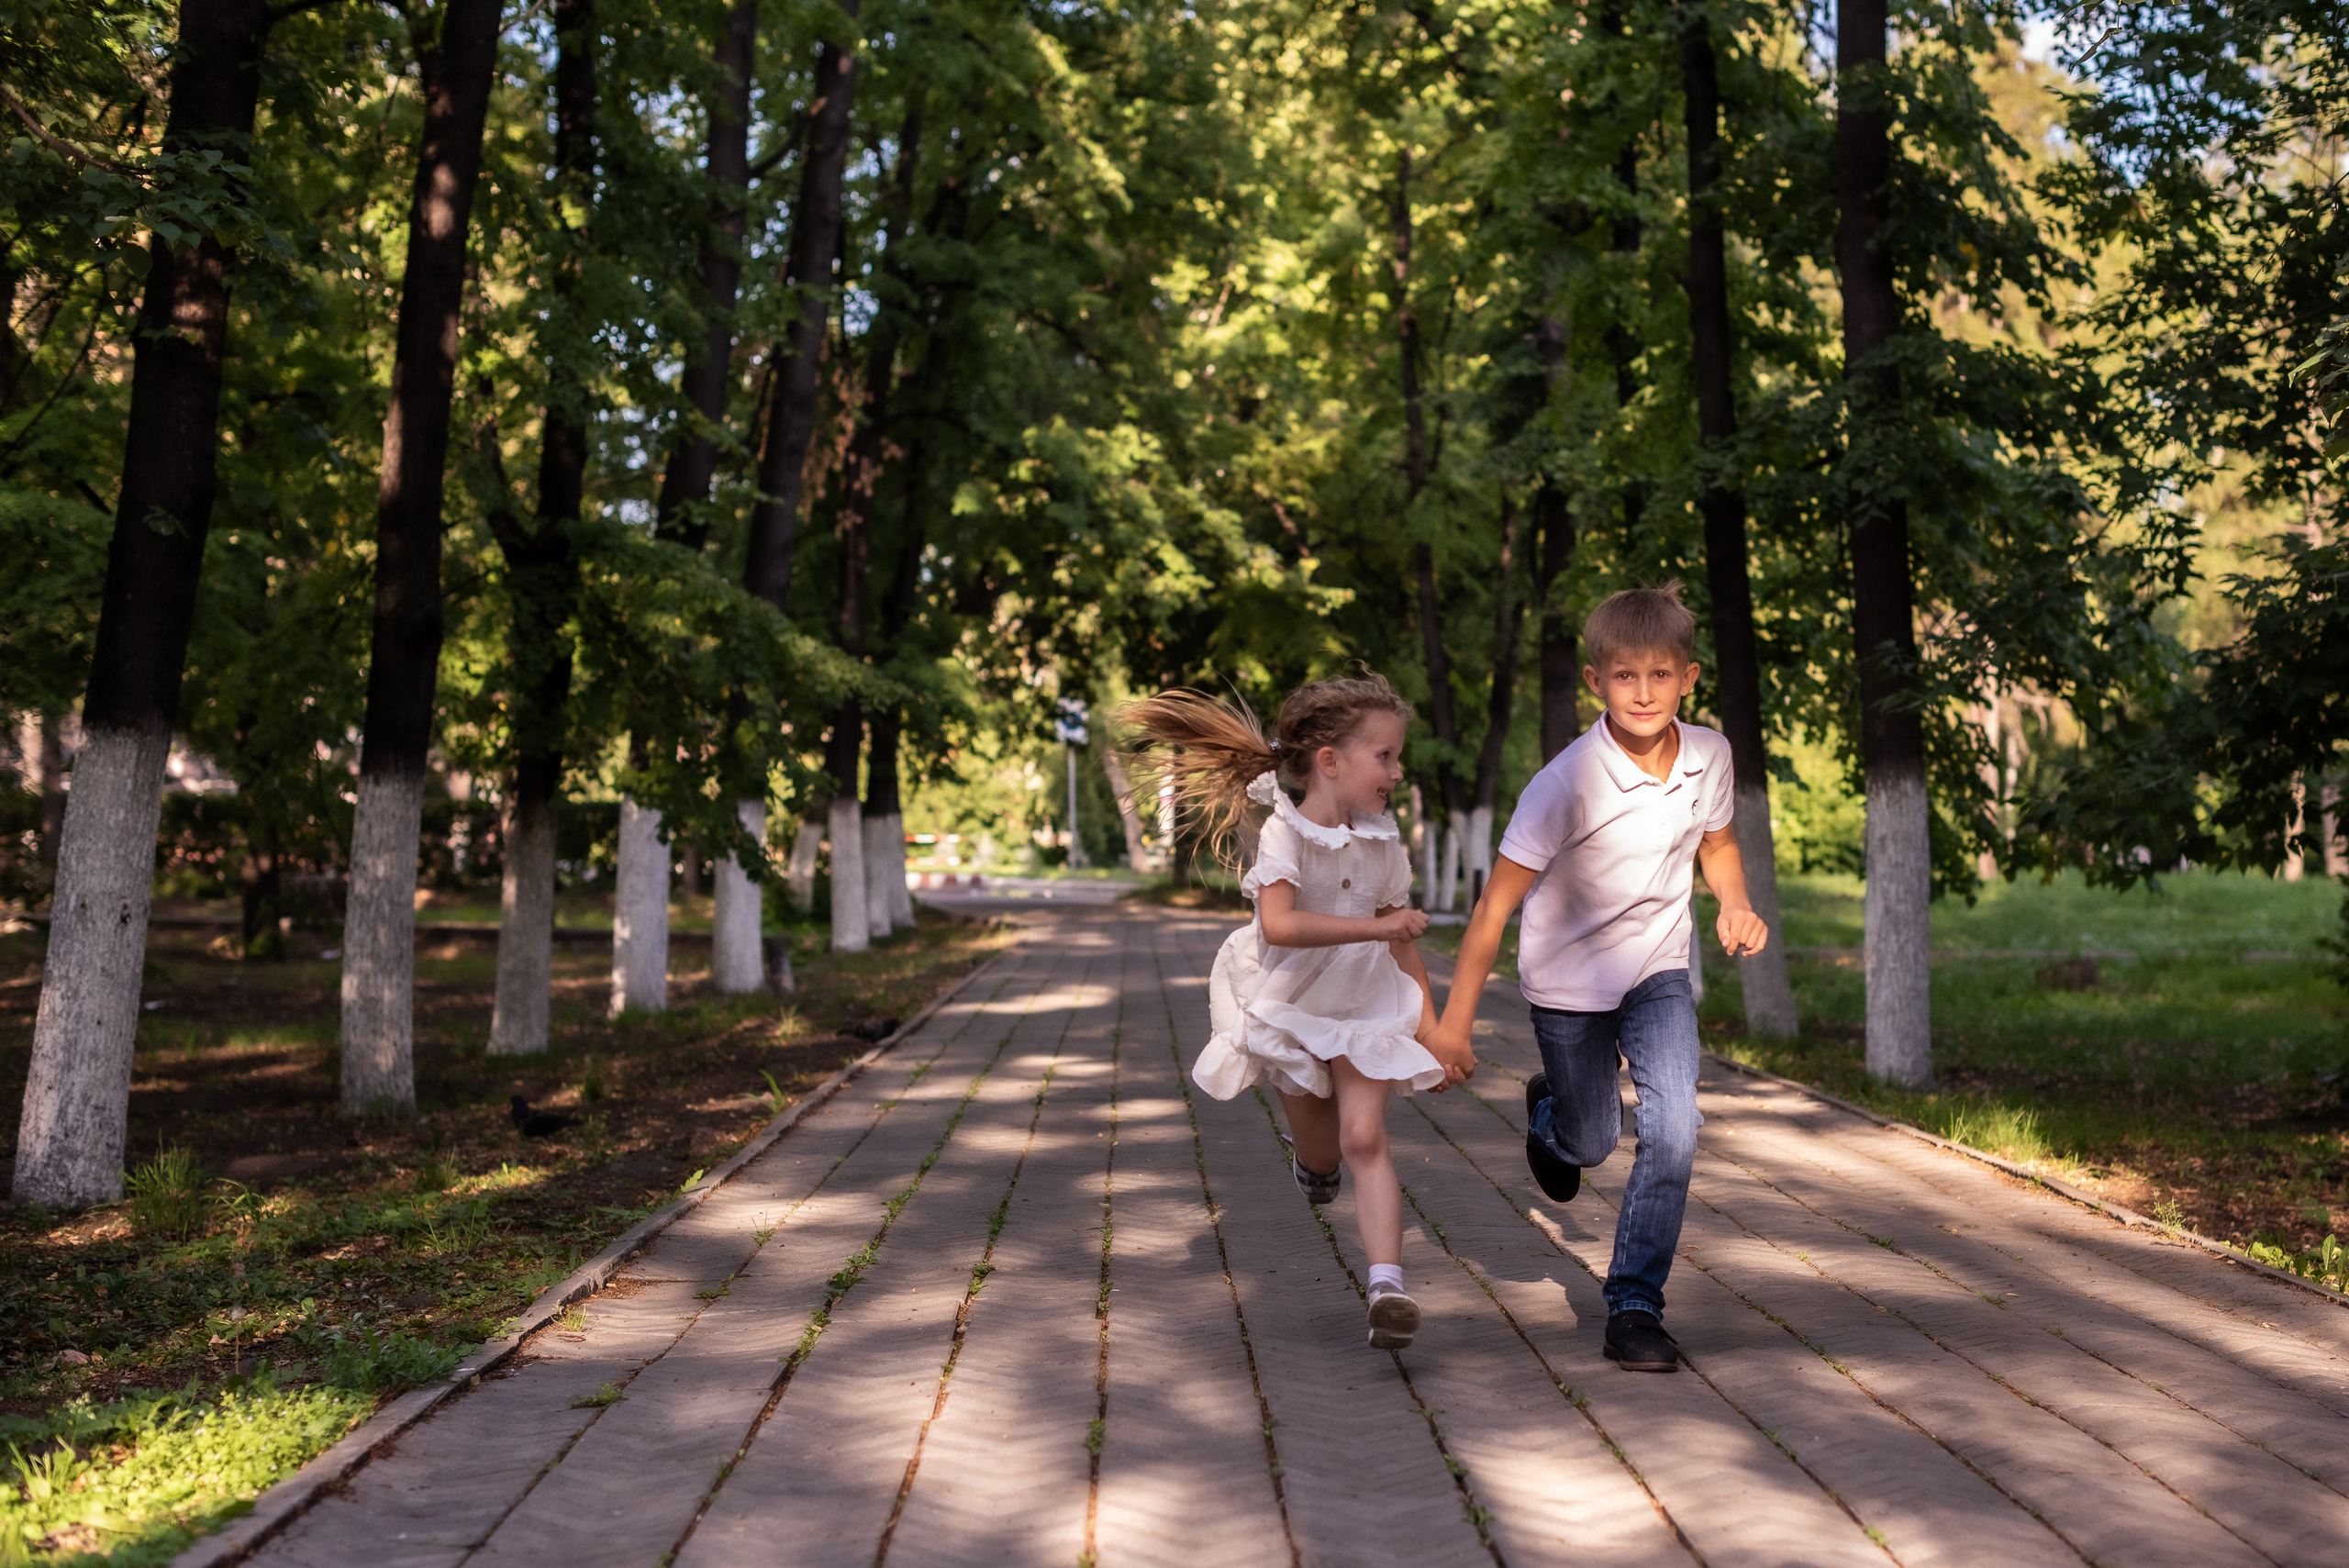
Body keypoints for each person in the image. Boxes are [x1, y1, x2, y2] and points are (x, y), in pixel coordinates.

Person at [1420, 583, 1770, 1373]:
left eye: (1660, 674)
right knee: (1590, 1140)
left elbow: (1716, 842)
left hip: (1657, 968)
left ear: (1689, 677)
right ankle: (1552, 1111)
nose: (1643, 692)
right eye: (1624, 676)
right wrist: (1453, 1026)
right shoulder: (1565, 783)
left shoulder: (1710, 755)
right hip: (1569, 985)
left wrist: (1736, 903)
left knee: (1675, 1126)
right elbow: (1493, 909)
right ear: (1595, 680)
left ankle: (1634, 1305)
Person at [1123, 673, 1471, 1350]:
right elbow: (1280, 925)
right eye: (1386, 756)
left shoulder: (1384, 843)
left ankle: (1387, 1288)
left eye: (1398, 757)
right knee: (1324, 1153)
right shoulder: (1284, 835)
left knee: (1365, 1136)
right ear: (1330, 761)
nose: (1397, 772)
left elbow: (1401, 947)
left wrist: (1433, 1031)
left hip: (1366, 1002)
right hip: (1296, 1004)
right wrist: (1379, 927)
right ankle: (1312, 1165)